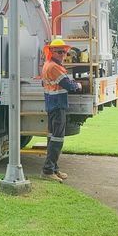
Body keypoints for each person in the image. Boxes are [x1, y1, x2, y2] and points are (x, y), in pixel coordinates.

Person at [40, 38, 82, 182]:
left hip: (51, 105)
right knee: (57, 139)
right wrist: (78, 86)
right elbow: (69, 86)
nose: (63, 55)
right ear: (51, 52)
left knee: (52, 138)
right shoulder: (54, 67)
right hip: (58, 106)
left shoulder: (47, 65)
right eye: (59, 52)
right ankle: (48, 170)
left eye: (64, 52)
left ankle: (54, 169)